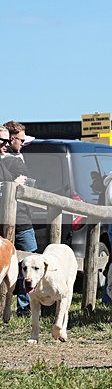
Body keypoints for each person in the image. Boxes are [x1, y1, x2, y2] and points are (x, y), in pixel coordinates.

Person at [2, 121, 38, 315]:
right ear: (12, 138)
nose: (23, 143)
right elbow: (20, 182)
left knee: (26, 260)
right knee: (29, 258)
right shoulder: (11, 160)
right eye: (21, 139)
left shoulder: (15, 158)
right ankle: (23, 307)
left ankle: (23, 305)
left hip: (18, 215)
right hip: (18, 218)